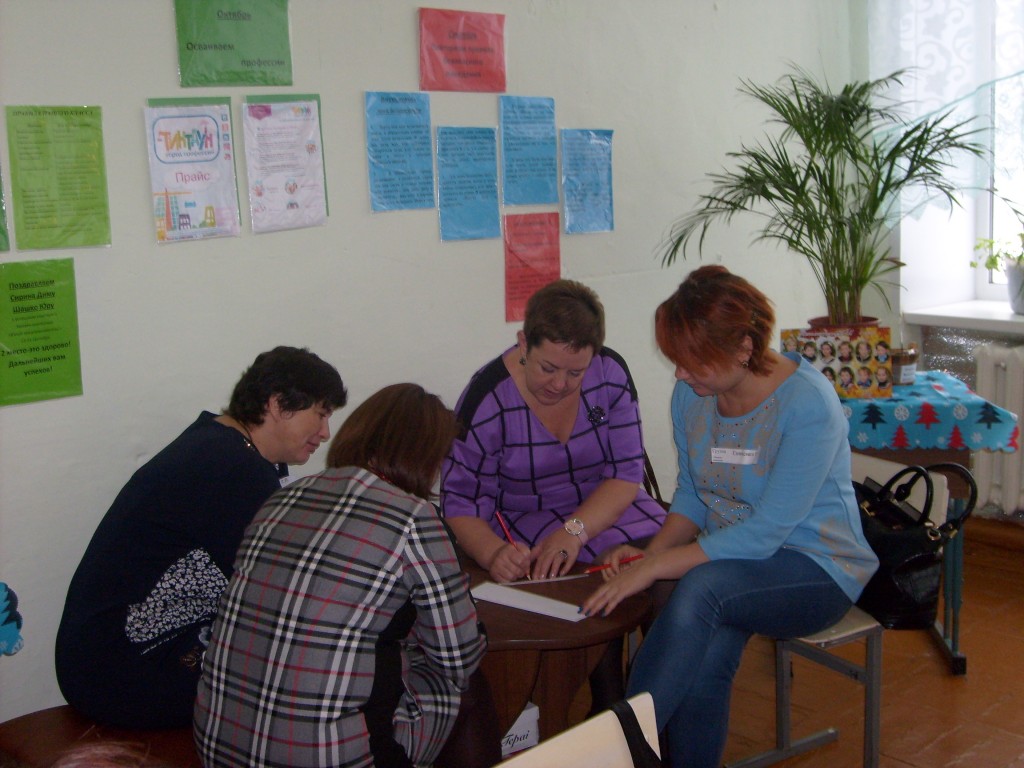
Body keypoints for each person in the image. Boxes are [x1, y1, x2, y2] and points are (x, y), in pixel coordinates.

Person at [581, 265, 878, 768]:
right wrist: (650, 556)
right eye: (676, 361)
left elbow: (764, 535)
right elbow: (693, 495)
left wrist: (656, 566)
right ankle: (635, 751)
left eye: (692, 361)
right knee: (702, 668)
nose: (679, 374)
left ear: (744, 347)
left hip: (817, 568)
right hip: (731, 570)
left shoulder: (807, 405)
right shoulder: (692, 396)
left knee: (700, 588)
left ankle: (619, 753)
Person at [194, 384, 499, 768]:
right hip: (322, 756)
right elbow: (459, 655)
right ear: (426, 456)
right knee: (463, 683)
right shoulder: (412, 517)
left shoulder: (282, 498)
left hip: (219, 744)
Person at [55, 346, 348, 730]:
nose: (325, 433)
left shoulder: (217, 442)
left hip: (99, 662)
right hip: (124, 670)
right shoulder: (233, 467)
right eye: (321, 414)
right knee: (319, 666)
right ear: (278, 405)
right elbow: (281, 590)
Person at [440, 278, 666, 711]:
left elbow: (625, 473)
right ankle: (610, 703)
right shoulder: (488, 398)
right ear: (524, 342)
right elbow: (460, 501)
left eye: (575, 373)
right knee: (588, 586)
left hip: (608, 505)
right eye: (547, 368)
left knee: (667, 577)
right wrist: (492, 553)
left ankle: (655, 704)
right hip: (531, 517)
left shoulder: (610, 373)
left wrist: (575, 530)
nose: (560, 384)